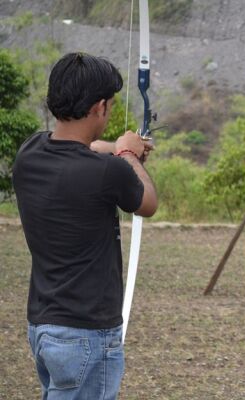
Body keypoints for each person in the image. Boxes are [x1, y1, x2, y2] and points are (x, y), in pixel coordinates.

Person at [12, 52, 158, 399]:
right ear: (101, 107)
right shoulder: (109, 172)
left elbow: (84, 146)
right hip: (87, 332)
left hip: (44, 325)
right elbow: (147, 203)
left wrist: (121, 149)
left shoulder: (30, 151)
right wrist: (126, 155)